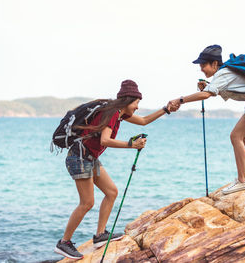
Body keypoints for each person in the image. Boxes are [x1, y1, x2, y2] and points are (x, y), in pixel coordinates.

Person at [54, 80, 173, 259]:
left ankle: (100, 235)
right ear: (127, 101)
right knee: (87, 202)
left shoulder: (119, 114)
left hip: (89, 157)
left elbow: (143, 121)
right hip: (79, 157)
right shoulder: (111, 113)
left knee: (111, 192)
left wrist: (166, 109)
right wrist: (131, 145)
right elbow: (105, 140)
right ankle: (64, 243)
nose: (138, 107)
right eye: (136, 103)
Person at [169, 44, 245, 195]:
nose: (201, 69)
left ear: (214, 64)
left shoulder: (223, 73)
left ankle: (242, 180)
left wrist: (180, 100)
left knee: (236, 136)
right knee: (243, 137)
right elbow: (228, 88)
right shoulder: (225, 73)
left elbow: (206, 95)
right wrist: (209, 86)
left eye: (203, 65)